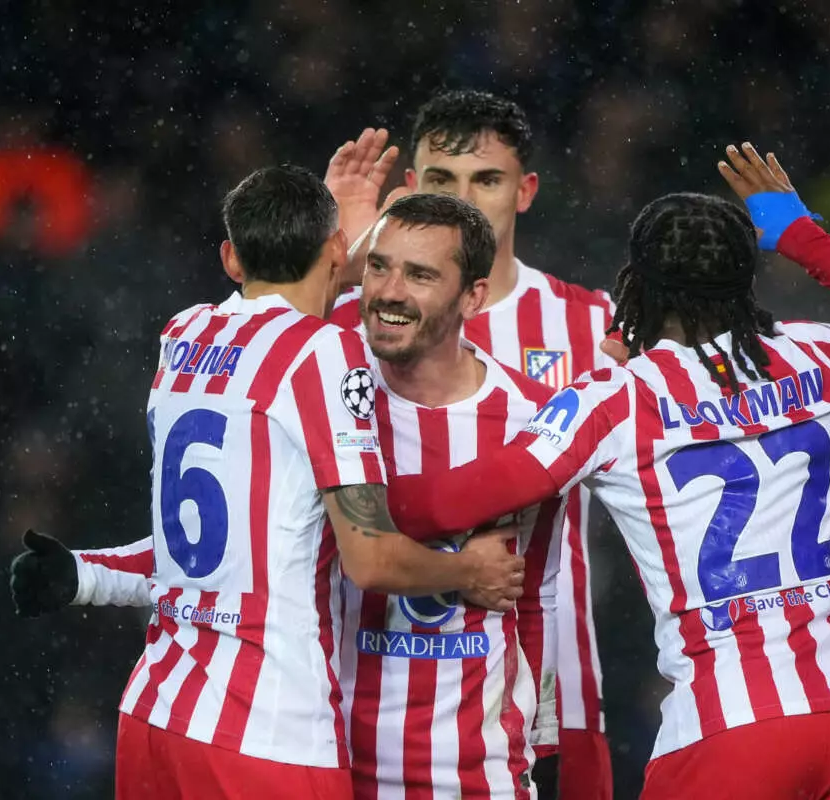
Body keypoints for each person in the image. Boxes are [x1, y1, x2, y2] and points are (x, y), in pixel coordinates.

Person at [383, 144, 830, 799]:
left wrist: (340, 485)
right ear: (745, 279)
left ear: (639, 285)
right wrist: (800, 235)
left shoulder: (617, 398)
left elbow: (452, 502)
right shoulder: (815, 354)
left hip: (727, 725)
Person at [9, 165, 525, 800]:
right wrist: (468, 572)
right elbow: (370, 559)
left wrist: (84, 574)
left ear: (231, 257)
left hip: (155, 715)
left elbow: (207, 549)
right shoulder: (322, 353)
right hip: (266, 732)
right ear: (337, 250)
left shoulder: (184, 335)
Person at [325, 90, 616, 798]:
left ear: (525, 191)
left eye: (486, 179)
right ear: (410, 188)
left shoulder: (591, 325)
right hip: (361, 680)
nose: (465, 199)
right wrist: (342, 256)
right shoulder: (349, 326)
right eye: (441, 179)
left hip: (548, 661)